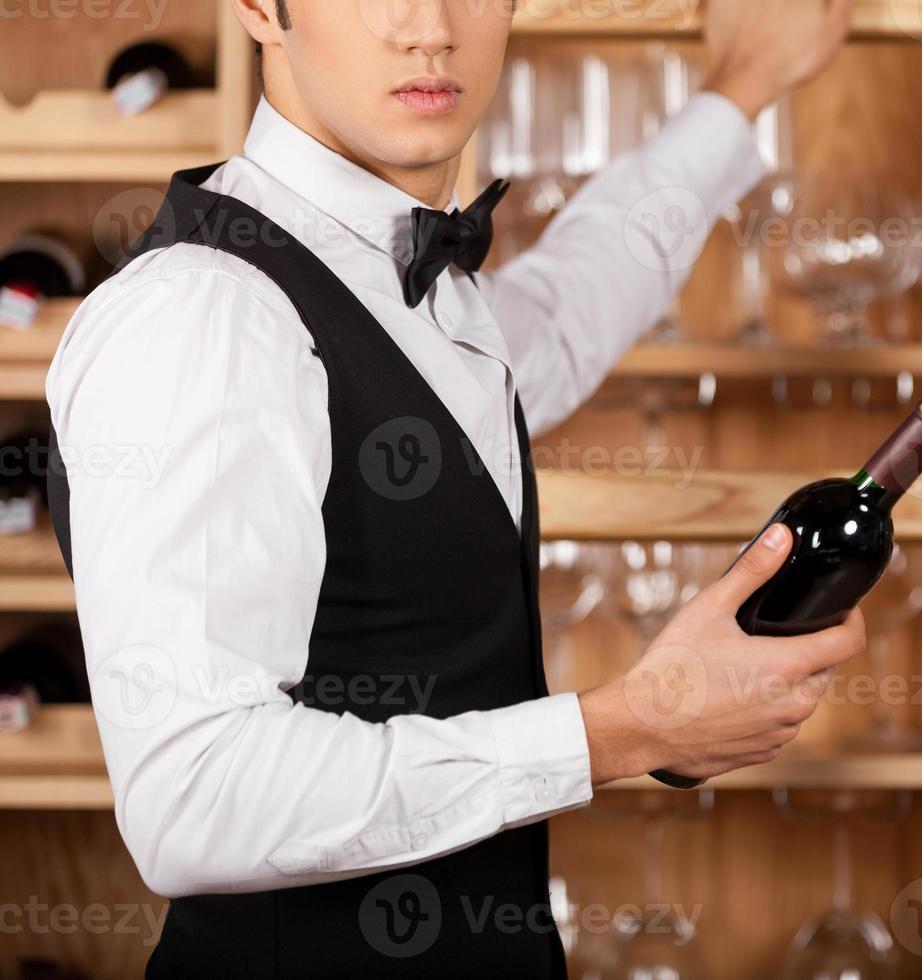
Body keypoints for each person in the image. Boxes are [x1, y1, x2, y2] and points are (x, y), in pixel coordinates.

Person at [44, 0, 863, 975]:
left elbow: (564, 311)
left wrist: (743, 86)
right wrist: (625, 726)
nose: (429, 25)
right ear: (263, 7)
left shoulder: (397, 269)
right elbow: (194, 794)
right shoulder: (204, 312)